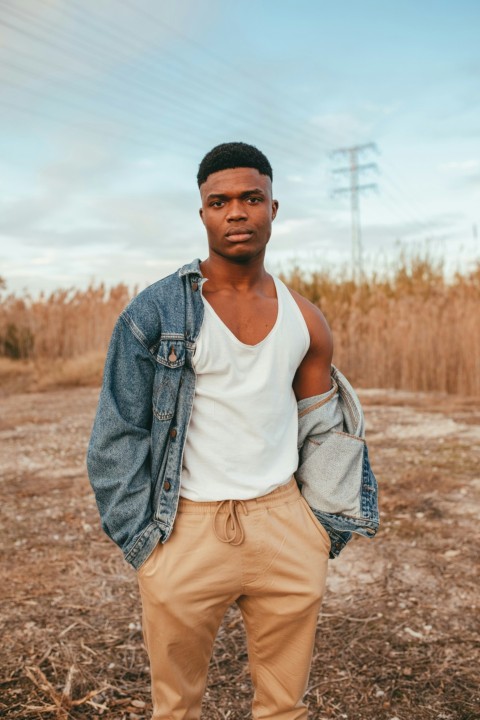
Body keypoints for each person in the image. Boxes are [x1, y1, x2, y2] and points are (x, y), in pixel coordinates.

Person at [87, 142, 379, 719]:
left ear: (274, 207)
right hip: (185, 530)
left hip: (284, 525)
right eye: (219, 202)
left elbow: (322, 430)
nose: (237, 212)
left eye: (252, 198)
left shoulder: (306, 317)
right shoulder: (155, 314)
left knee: (283, 708)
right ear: (203, 215)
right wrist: (144, 547)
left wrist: (317, 532)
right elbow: (116, 435)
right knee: (175, 709)